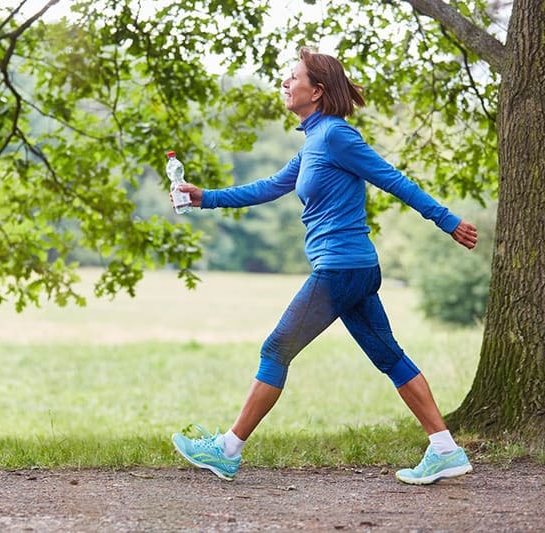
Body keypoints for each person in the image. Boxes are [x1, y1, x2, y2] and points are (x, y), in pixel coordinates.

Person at [170, 47, 478, 485]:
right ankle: (445, 449)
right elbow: (270, 186)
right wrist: (205, 197)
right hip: (351, 270)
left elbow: (392, 178)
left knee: (276, 349)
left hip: (340, 269)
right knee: (389, 356)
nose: (285, 83)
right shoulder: (314, 141)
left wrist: (446, 221)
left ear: (316, 91)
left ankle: (227, 450)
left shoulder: (336, 136)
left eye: (292, 77)